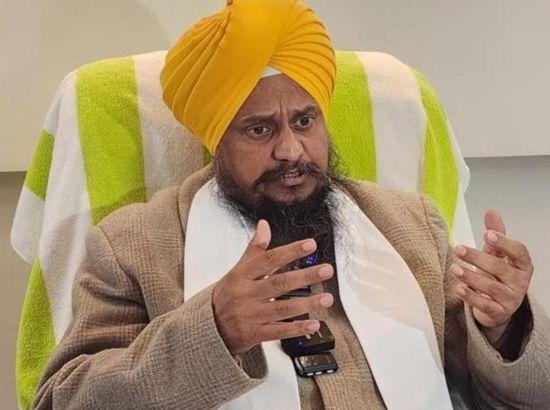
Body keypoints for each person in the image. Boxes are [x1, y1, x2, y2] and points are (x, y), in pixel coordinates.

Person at [33, 0, 550, 409]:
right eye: (259, 130)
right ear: (216, 142)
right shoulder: (135, 245)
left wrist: (505, 327)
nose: (291, 150)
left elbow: (515, 394)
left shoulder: (408, 224)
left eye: (304, 121)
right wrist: (212, 331)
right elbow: (65, 398)